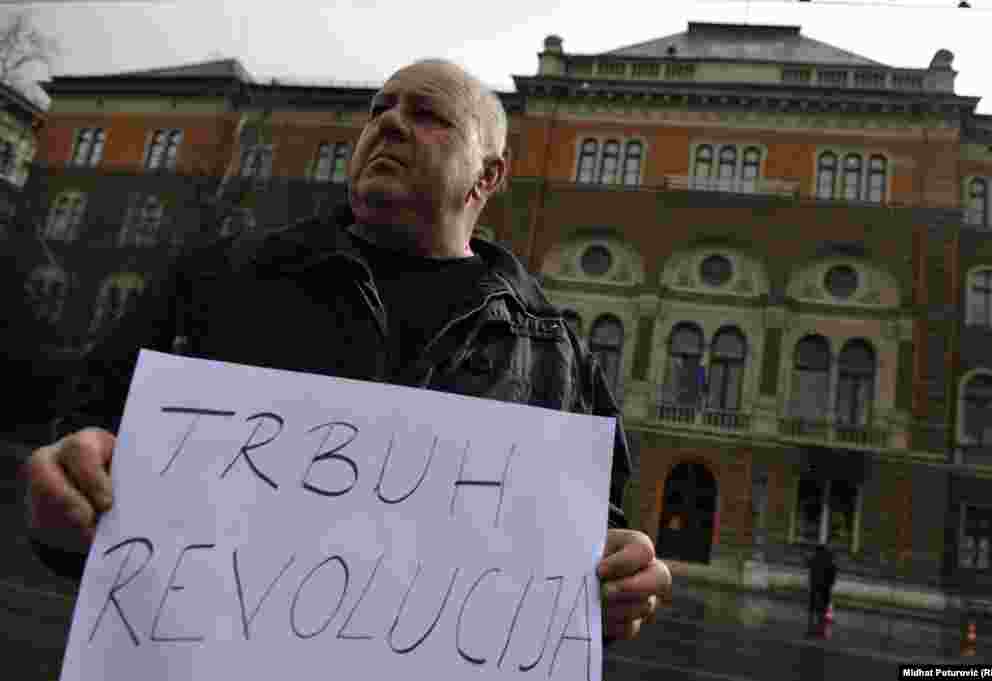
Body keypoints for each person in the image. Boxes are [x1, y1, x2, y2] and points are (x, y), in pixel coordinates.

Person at [22, 58, 671, 645]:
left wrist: (616, 587)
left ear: (489, 174)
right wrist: (62, 493)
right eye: (379, 109)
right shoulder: (218, 280)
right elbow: (82, 440)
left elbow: (595, 554)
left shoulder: (556, 357)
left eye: (428, 116)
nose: (388, 124)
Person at [806, 544, 837, 635]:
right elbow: (833, 572)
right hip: (824, 586)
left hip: (816, 585)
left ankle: (813, 625)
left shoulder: (815, 559)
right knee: (823, 605)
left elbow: (808, 564)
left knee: (814, 605)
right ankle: (821, 625)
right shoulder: (829, 560)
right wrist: (831, 583)